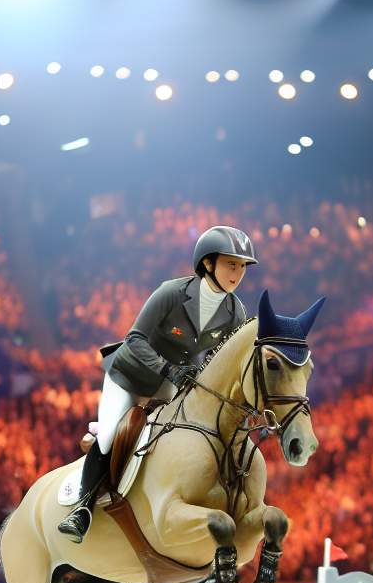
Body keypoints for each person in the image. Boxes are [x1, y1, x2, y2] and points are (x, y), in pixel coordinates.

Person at [58, 226, 257, 542]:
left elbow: (219, 360)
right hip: (129, 375)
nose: (238, 273)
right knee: (110, 435)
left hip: (170, 382)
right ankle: (82, 509)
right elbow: (134, 339)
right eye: (231, 264)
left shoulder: (236, 312)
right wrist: (169, 369)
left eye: (243, 266)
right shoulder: (172, 293)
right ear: (208, 263)